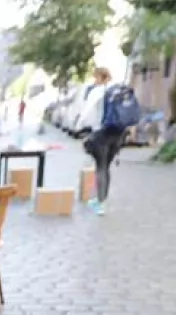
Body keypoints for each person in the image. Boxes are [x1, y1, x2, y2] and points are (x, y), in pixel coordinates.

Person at [76, 67, 124, 216]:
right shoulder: (117, 91)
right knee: (106, 167)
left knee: (100, 168)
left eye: (95, 77)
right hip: (117, 134)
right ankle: (103, 199)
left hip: (101, 133)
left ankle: (100, 203)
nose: (94, 80)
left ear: (99, 77)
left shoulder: (97, 91)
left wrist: (78, 126)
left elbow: (87, 111)